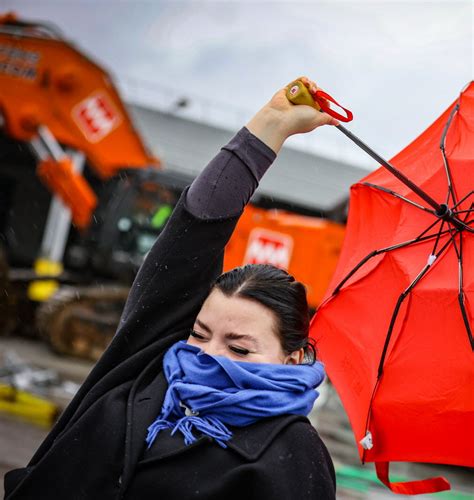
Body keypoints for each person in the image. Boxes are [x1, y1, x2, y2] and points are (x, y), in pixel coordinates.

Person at [4, 77, 338, 499]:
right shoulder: (148, 369)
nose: (206, 356)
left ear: (293, 359)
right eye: (198, 334)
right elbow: (192, 233)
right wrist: (271, 124)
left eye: (239, 349)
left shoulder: (294, 455)